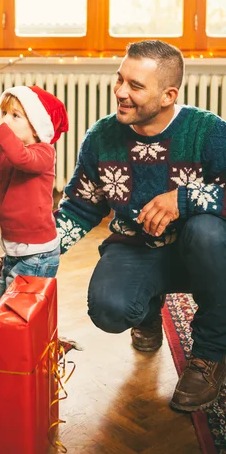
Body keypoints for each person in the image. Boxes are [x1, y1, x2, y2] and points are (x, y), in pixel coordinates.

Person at [54, 40, 226, 412]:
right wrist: (38, 250)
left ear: (168, 95)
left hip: (199, 249)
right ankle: (147, 310)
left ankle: (211, 354)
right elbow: (81, 206)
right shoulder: (102, 137)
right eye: (120, 81)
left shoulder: (208, 132)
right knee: (109, 310)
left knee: (209, 233)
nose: (120, 92)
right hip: (135, 246)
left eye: (135, 86)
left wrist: (182, 199)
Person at [0, 86, 68, 297]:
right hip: (13, 249)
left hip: (37, 253)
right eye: (4, 113)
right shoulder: (5, 150)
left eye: (15, 116)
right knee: (6, 309)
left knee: (21, 315)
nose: (6, 119)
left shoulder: (44, 152)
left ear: (36, 128)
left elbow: (21, 159)